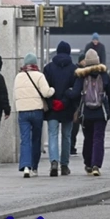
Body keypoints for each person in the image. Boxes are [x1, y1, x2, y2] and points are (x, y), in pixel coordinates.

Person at [68, 49, 110, 176]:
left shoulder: (82, 76)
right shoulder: (104, 75)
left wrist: (68, 92)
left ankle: (88, 164)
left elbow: (75, 94)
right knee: (98, 138)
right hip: (101, 113)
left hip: (86, 113)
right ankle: (96, 165)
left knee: (88, 138)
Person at [14, 53, 55, 178]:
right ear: (35, 64)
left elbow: (15, 95)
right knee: (36, 139)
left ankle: (26, 166)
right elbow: (46, 93)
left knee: (25, 139)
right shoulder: (39, 76)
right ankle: (34, 168)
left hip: (23, 111)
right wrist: (53, 89)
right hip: (37, 110)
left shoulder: (18, 76)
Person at [43, 41, 78, 177]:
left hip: (52, 109)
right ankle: (64, 165)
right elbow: (75, 90)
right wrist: (64, 102)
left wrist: (52, 103)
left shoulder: (49, 68)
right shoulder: (74, 69)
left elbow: (44, 89)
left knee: (52, 135)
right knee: (67, 136)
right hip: (67, 108)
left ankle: (54, 163)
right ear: (68, 52)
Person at [70, 53, 87, 155]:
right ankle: (72, 146)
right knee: (74, 128)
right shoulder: (77, 71)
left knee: (84, 127)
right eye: (83, 60)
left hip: (83, 103)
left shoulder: (87, 71)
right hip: (77, 104)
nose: (85, 62)